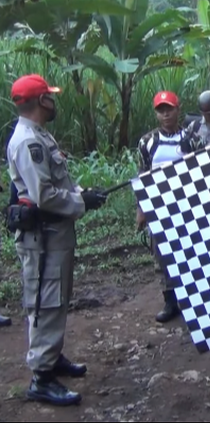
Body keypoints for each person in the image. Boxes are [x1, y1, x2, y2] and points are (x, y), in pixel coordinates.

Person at [6, 74, 107, 405]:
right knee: (45, 302)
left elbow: (55, 182)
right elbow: (43, 195)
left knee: (57, 297)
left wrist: (83, 193)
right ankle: (42, 376)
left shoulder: (39, 135)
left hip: (55, 234)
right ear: (40, 102)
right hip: (44, 238)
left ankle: (52, 355)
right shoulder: (28, 142)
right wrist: (80, 204)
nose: (54, 101)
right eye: (49, 96)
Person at [136, 91, 203, 324]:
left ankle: (192, 298)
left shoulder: (193, 139)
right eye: (161, 110)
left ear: (178, 109)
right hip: (158, 205)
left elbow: (202, 173)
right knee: (162, 256)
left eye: (169, 109)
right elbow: (142, 175)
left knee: (190, 251)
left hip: (186, 205)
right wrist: (141, 209)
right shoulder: (147, 142)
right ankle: (169, 301)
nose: (165, 114)